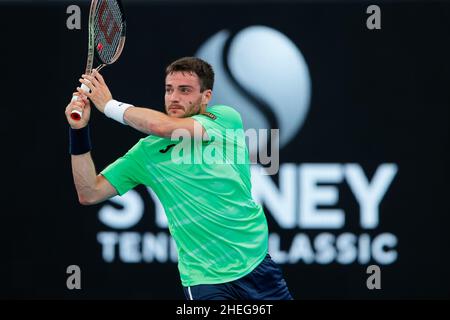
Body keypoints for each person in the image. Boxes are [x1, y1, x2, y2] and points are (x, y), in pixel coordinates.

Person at [65, 57, 292, 300]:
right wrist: (78, 131)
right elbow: (89, 192)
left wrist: (110, 106)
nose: (174, 97)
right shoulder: (146, 153)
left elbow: (162, 127)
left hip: (256, 264)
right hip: (204, 279)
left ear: (206, 97)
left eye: (185, 90)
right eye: (169, 89)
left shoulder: (225, 119)